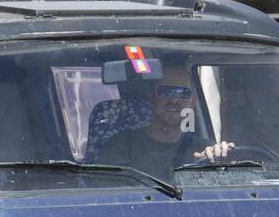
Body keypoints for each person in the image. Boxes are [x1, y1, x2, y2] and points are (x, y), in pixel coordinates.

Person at [93, 66, 232, 178]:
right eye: (165, 92)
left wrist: (223, 161)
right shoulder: (120, 146)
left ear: (193, 102)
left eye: (183, 93)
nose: (174, 100)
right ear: (152, 98)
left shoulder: (205, 149)